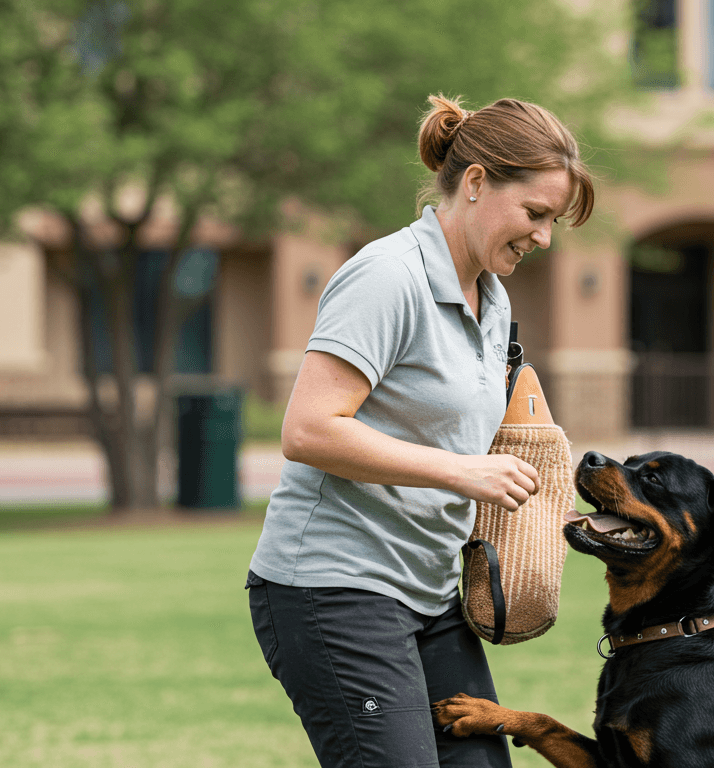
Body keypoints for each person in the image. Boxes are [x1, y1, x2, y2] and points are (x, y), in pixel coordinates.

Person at [245, 94, 596, 768]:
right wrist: (462, 473)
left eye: (553, 221)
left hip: (432, 593)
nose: (544, 237)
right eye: (535, 214)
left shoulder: (492, 298)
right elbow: (309, 430)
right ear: (476, 183)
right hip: (336, 588)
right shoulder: (388, 277)